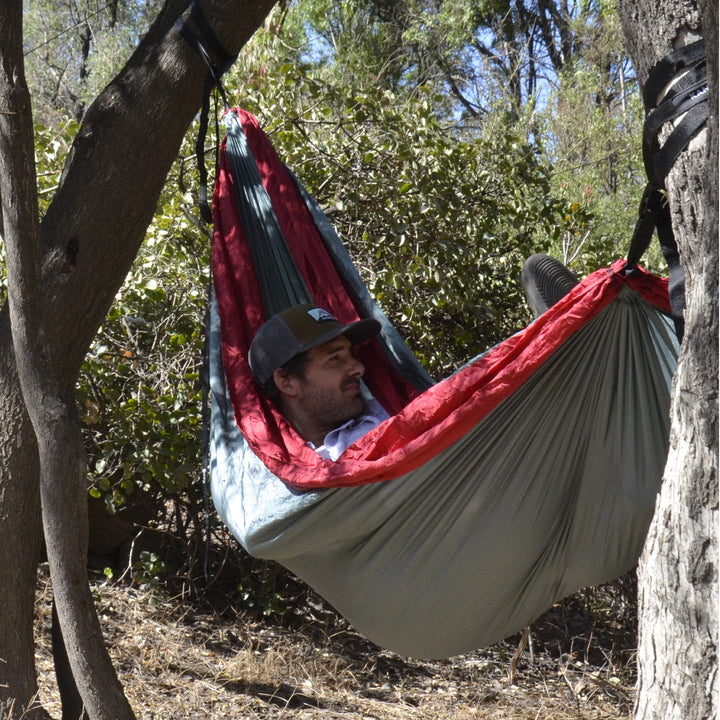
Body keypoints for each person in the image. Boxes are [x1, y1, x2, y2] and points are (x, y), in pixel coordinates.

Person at [248, 303, 390, 460]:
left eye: (351, 354)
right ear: (286, 381)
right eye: (334, 358)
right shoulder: (275, 472)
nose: (359, 368)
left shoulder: (392, 415)